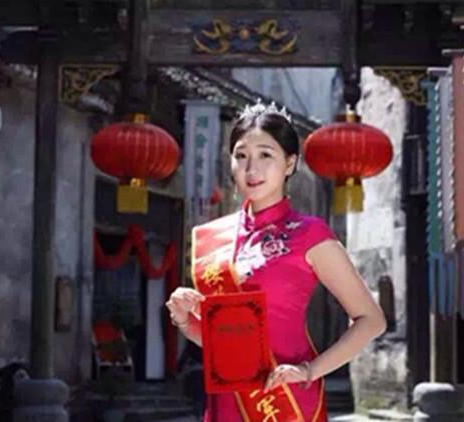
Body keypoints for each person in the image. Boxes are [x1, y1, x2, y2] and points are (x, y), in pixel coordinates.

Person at [166, 102, 387, 421]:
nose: (251, 169)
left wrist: (310, 370)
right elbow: (225, 341)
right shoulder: (215, 237)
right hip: (226, 403)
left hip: (287, 402)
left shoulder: (310, 234)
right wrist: (186, 321)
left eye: (265, 155)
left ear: (290, 163)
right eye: (241, 156)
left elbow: (371, 320)